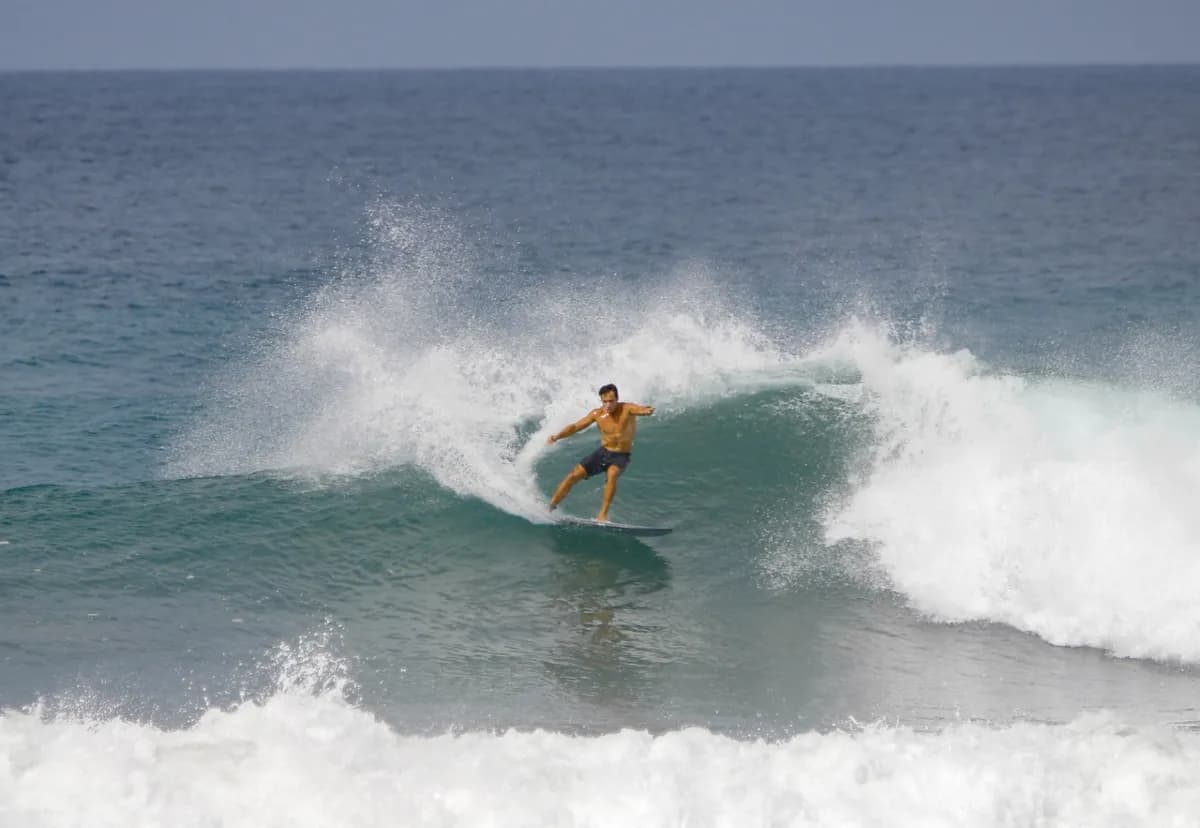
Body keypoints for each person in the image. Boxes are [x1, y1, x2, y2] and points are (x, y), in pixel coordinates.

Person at [546, 384, 655, 522]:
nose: (608, 405)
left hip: (621, 455)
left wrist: (647, 410)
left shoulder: (626, 409)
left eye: (611, 401)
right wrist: (557, 436)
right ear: (601, 401)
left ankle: (602, 515)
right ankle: (551, 507)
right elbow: (575, 427)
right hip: (603, 453)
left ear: (617, 399)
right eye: (605, 401)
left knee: (612, 474)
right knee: (572, 476)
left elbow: (639, 409)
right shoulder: (597, 414)